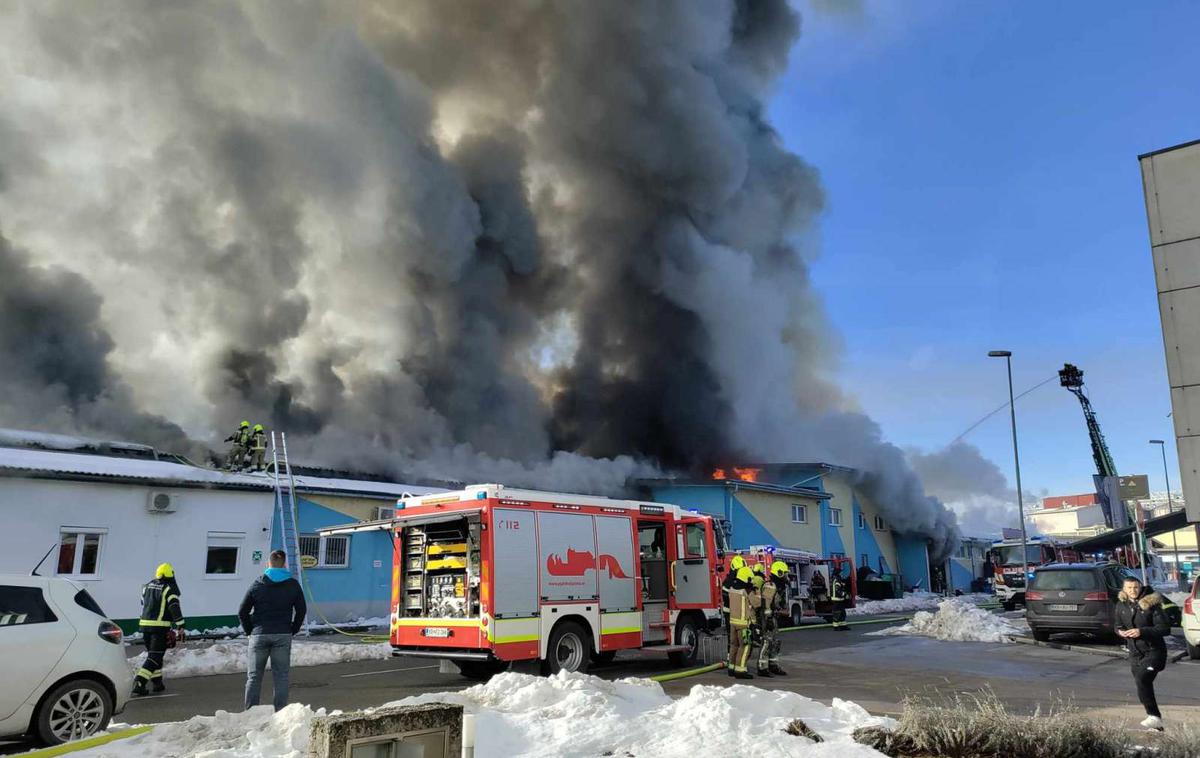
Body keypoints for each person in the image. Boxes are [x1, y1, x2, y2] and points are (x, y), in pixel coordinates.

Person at [239, 550, 307, 711]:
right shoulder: (293, 584)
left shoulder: (258, 583)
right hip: (283, 634)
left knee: (254, 677)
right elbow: (301, 610)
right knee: (281, 676)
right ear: (284, 564)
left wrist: (249, 631)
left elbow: (242, 611)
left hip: (259, 634)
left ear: (268, 564)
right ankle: (280, 712)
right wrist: (293, 629)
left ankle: (250, 711)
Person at [1115, 576, 1171, 731]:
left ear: (1140, 588)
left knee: (1142, 679)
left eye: (1135, 587)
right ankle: (1156, 723)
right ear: (1124, 589)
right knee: (1142, 686)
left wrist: (1141, 631)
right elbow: (1117, 625)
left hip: (1155, 652)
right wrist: (1121, 632)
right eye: (1129, 588)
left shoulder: (1151, 605)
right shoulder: (1121, 605)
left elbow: (1165, 629)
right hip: (1135, 653)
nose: (1133, 591)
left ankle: (1153, 717)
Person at [133, 563, 185, 696]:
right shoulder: (168, 589)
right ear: (170, 575)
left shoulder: (146, 587)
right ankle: (139, 682)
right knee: (155, 657)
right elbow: (174, 606)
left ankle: (157, 683)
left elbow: (142, 604)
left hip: (144, 626)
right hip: (159, 628)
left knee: (154, 656)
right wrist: (180, 625)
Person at [726, 566, 759, 680]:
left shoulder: (732, 588)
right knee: (745, 646)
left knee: (734, 645)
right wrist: (757, 591)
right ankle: (740, 670)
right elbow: (757, 603)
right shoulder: (746, 591)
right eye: (750, 579)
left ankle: (731, 667)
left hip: (732, 622)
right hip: (743, 624)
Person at [757, 560, 788, 676]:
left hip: (773, 617)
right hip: (767, 618)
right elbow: (766, 603)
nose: (786, 576)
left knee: (775, 642)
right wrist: (768, 618)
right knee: (767, 641)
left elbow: (776, 602)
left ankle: (773, 665)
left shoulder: (778, 586)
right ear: (779, 573)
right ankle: (762, 667)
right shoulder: (770, 586)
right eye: (784, 573)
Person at [721, 555, 746, 670]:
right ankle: (731, 660)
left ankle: (733, 661)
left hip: (734, 613)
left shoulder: (731, 580)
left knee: (734, 639)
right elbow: (727, 596)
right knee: (733, 639)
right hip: (730, 613)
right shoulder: (729, 582)